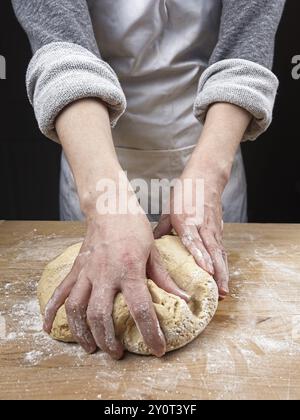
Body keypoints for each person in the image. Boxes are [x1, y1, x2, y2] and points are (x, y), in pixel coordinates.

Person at [13, 0, 285, 359]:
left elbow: (246, 45)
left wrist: (209, 175)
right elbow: (62, 49)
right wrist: (105, 201)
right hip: (94, 151)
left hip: (207, 147)